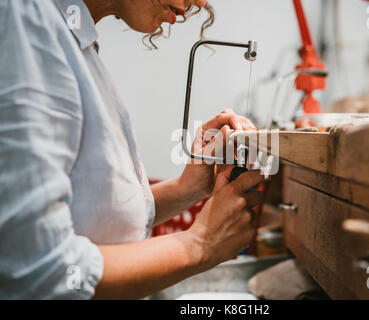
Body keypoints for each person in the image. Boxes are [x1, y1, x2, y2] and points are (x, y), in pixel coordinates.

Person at [0, 0, 264, 299]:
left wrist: (187, 188)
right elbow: (37, 270)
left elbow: (93, 211)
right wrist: (200, 244)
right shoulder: (25, 20)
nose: (201, 3)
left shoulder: (75, 40)